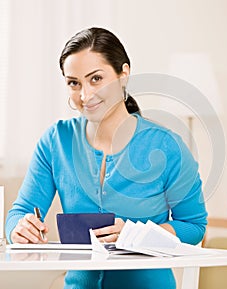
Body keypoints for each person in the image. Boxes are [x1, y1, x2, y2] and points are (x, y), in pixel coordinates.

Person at [5, 27, 207, 289]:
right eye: (73, 83)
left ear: (123, 74)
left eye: (96, 79)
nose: (85, 96)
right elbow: (20, 211)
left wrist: (138, 234)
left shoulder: (167, 146)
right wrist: (19, 229)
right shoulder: (57, 141)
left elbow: (194, 225)